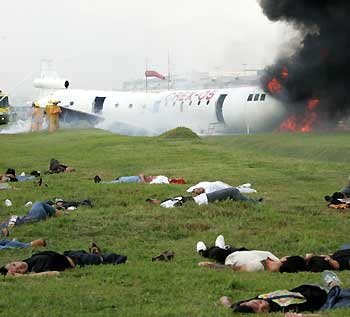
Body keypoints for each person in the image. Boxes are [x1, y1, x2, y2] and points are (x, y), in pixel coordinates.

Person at [220, 271, 350, 314]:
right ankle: (334, 286)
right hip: (321, 299)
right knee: (340, 296)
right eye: (258, 306)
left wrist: (227, 304)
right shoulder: (282, 309)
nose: (260, 302)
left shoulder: (257, 299)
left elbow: (226, 300)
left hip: (307, 289)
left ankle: (331, 287)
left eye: (256, 301)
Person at [0, 243, 127, 277]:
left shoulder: (28, 260)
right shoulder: (36, 271)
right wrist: (25, 277)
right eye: (18, 270)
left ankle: (96, 254)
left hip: (71, 253)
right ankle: (97, 254)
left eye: (14, 264)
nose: (19, 266)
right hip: (78, 261)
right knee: (113, 259)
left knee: (101, 259)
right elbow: (55, 273)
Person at [196, 235, 306, 273]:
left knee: (216, 252)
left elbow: (233, 269)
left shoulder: (258, 267)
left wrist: (210, 265)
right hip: (243, 252)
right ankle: (222, 247)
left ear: (285, 260)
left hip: (230, 258)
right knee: (237, 249)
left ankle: (203, 251)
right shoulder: (275, 259)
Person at [147, 188, 262, 208]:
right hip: (204, 200)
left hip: (202, 198)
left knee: (231, 193)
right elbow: (179, 205)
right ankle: (254, 203)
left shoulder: (166, 201)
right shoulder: (165, 205)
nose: (156, 199)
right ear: (153, 203)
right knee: (232, 191)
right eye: (154, 200)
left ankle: (253, 202)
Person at [187, 181, 257, 195]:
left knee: (235, 188)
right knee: (236, 190)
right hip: (222, 188)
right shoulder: (208, 192)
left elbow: (189, 190)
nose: (199, 190)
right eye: (199, 191)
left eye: (197, 190)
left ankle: (244, 187)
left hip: (219, 183)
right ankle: (251, 190)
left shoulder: (200, 184)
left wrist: (192, 190)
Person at [95, 174, 170, 184]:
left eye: (152, 177)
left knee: (120, 181)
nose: (151, 176)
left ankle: (100, 183)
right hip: (137, 178)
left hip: (138, 180)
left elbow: (144, 184)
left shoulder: (155, 182)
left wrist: (141, 177)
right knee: (120, 179)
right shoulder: (163, 177)